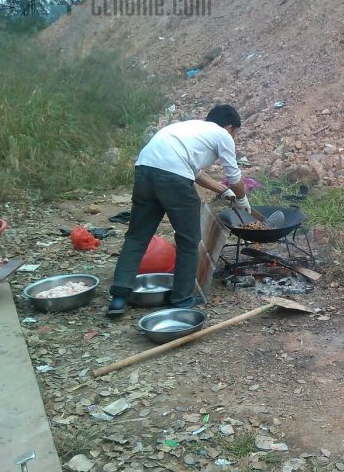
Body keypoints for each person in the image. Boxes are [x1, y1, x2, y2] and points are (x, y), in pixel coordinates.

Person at [107, 104, 250, 317]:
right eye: (235, 132)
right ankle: (182, 299)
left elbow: (196, 172)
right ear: (229, 126)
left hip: (144, 171)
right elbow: (234, 176)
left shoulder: (188, 129)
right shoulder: (222, 134)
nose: (234, 136)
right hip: (173, 179)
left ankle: (118, 297)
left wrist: (223, 191)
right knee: (189, 240)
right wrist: (242, 198)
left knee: (137, 237)